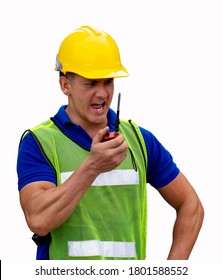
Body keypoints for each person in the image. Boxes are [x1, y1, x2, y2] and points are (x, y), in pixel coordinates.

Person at [17, 25, 204, 260]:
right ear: (66, 86)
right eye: (91, 83)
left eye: (107, 82)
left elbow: (191, 205)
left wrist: (171, 271)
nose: (102, 93)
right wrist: (93, 165)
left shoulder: (140, 140)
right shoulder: (39, 142)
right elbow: (39, 220)